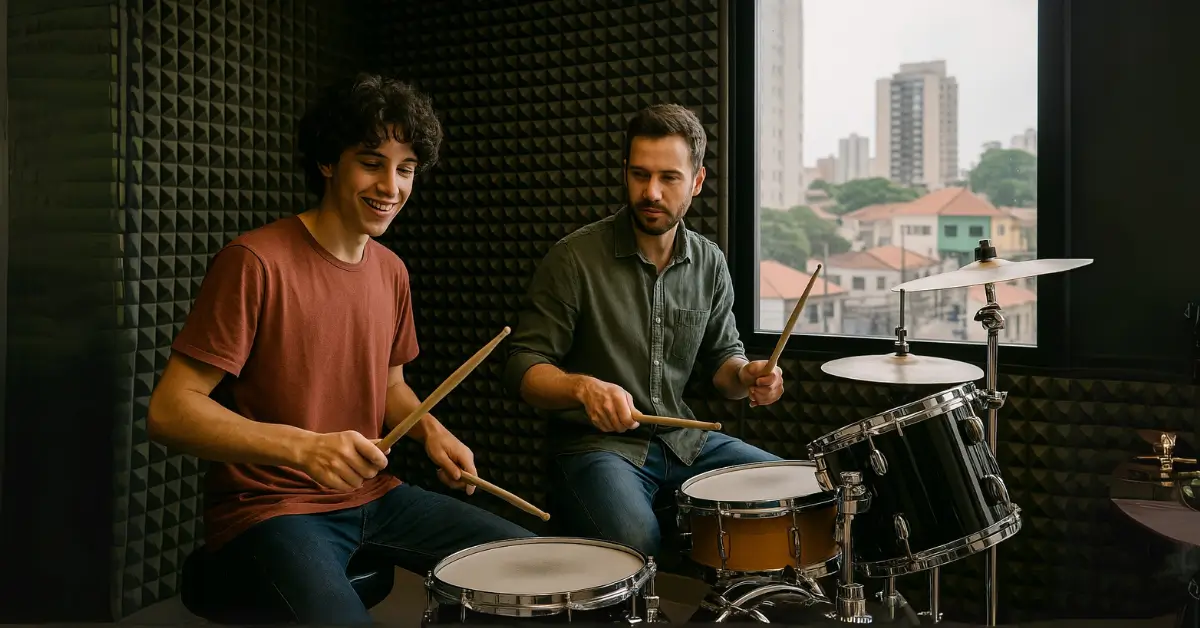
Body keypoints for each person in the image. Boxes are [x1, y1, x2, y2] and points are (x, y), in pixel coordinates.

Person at [147, 73, 533, 625]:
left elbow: (389, 386)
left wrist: (431, 432)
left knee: (534, 569)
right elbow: (169, 410)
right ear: (329, 162)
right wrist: (305, 449)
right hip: (271, 507)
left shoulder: (391, 271)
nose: (391, 187)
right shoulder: (254, 262)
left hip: (375, 494)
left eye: (406, 170)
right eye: (372, 162)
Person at [503, 103, 786, 561]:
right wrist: (582, 388)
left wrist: (748, 376)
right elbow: (522, 368)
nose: (650, 192)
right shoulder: (573, 258)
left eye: (668, 178)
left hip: (685, 441)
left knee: (792, 489)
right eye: (639, 175)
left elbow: (723, 364)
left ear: (696, 182)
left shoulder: (709, 262)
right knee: (636, 540)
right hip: (596, 448)